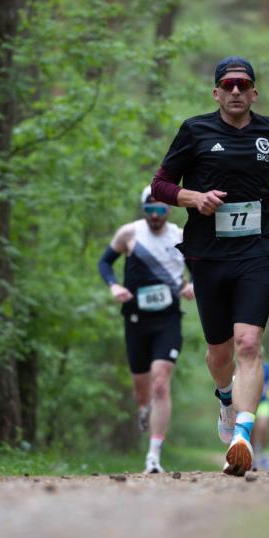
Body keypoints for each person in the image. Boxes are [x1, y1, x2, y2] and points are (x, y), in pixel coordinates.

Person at [151, 56, 269, 475]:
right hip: (207, 254)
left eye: (243, 85)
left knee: (248, 344)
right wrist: (194, 198)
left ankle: (242, 436)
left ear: (254, 92)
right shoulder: (195, 130)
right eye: (228, 85)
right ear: (216, 92)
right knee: (219, 354)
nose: (236, 91)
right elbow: (161, 185)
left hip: (257, 250)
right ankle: (225, 397)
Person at [98, 186, 194, 474]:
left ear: (169, 209)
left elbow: (201, 267)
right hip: (136, 318)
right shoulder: (129, 233)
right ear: (143, 209)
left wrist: (193, 284)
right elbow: (105, 262)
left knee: (161, 382)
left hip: (168, 319)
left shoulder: (180, 236)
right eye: (150, 208)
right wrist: (114, 286)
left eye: (161, 208)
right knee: (142, 391)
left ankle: (153, 456)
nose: (155, 214)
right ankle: (143, 408)